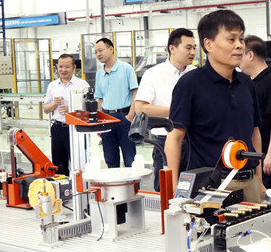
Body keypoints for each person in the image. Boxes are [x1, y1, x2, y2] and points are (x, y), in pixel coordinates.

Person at [165, 9, 264, 203]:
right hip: (211, 186)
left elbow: (254, 132)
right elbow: (175, 137)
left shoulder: (246, 83)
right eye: (231, 39)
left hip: (249, 182)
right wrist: (175, 187)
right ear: (208, 44)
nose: (239, 45)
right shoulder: (190, 84)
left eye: (241, 39)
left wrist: (259, 179)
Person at [134, 28, 196, 191]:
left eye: (194, 48)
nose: (193, 52)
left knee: (193, 190)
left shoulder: (196, 75)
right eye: (188, 48)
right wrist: (176, 111)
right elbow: (140, 108)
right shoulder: (153, 74)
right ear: (172, 48)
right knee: (167, 190)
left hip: (194, 142)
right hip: (165, 141)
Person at [241, 35, 271, 205]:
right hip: (251, 152)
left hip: (267, 152)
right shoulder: (248, 82)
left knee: (269, 198)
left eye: (240, 54)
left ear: (250, 55)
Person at [42, 53, 89, 177]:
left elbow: (89, 110)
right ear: (56, 67)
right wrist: (54, 103)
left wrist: (71, 108)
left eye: (67, 67)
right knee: (59, 165)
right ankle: (62, 186)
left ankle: (80, 187)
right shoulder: (52, 86)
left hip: (76, 129)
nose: (63, 70)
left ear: (74, 67)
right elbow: (45, 109)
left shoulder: (82, 85)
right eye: (60, 67)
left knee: (79, 163)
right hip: (58, 128)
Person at [94, 38, 138, 168]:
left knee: (130, 159)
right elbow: (100, 99)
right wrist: (99, 122)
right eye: (96, 52)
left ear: (111, 49)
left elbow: (135, 92)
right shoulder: (99, 74)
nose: (98, 54)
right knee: (110, 159)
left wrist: (130, 116)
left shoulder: (126, 69)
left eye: (100, 50)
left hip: (124, 117)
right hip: (106, 118)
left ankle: (132, 182)